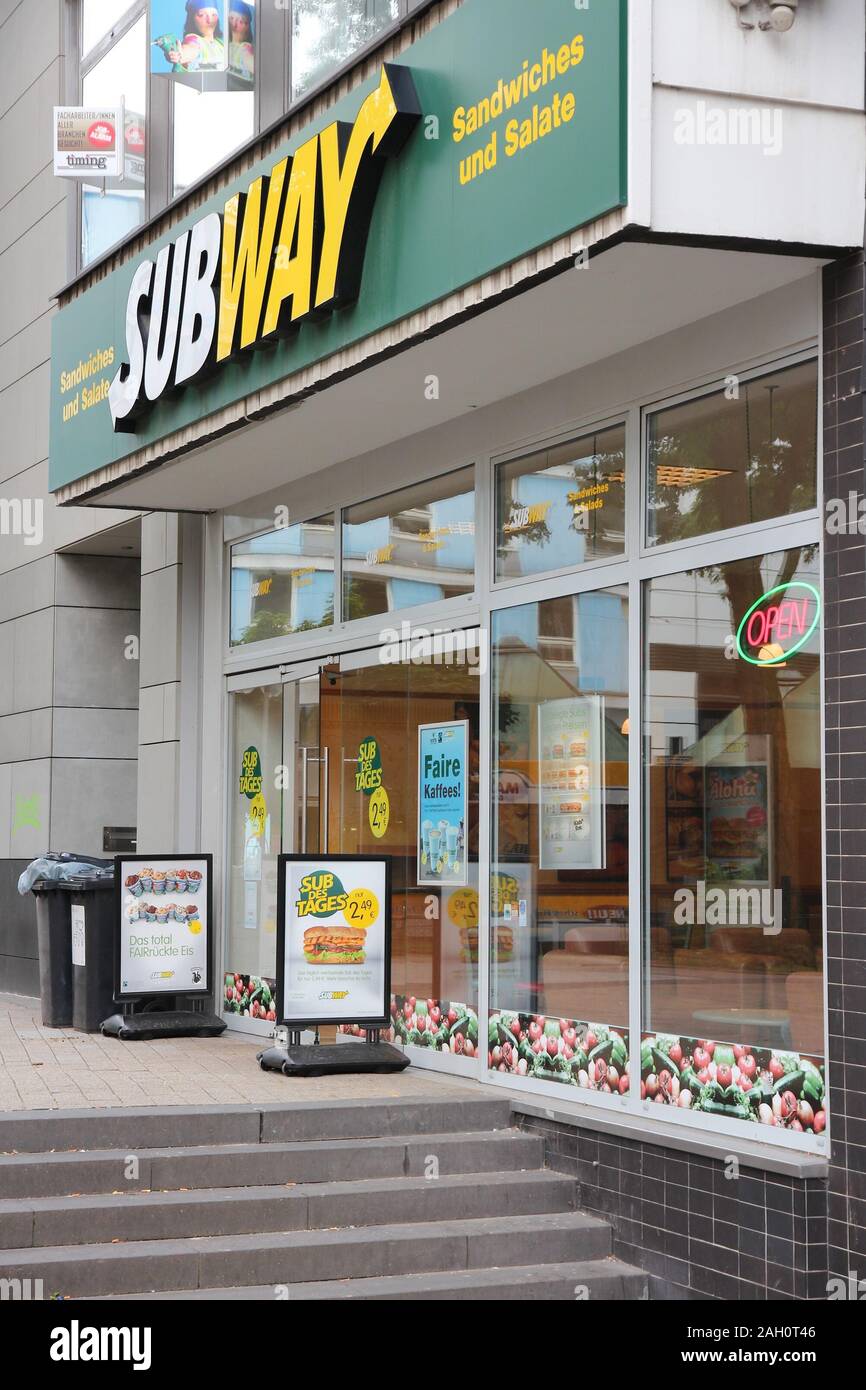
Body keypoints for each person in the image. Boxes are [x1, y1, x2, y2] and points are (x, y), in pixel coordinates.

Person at [166, 4, 225, 72]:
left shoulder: (221, 44)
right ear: (192, 19)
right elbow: (191, 48)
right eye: (201, 15)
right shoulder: (194, 39)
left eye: (213, 15)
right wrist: (180, 54)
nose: (209, 20)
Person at [228, 2, 255, 81]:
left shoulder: (244, 48)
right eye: (232, 18)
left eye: (241, 20)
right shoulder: (224, 46)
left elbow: (251, 62)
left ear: (247, 26)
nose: (235, 23)